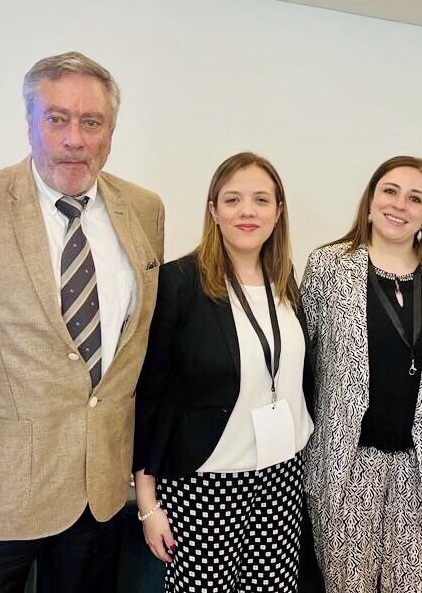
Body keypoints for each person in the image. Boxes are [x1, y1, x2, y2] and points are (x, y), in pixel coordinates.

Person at [0, 51, 165, 592]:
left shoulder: (144, 209)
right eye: (56, 118)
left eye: (92, 122)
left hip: (97, 488)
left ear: (110, 131)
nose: (74, 139)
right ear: (30, 122)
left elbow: (135, 341)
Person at [133, 152, 315, 593]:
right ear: (214, 211)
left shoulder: (284, 281)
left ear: (278, 211)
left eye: (260, 200)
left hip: (281, 477)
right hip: (205, 482)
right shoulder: (180, 282)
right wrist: (147, 503)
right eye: (232, 200)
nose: (247, 211)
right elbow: (151, 395)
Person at [301, 155, 422, 593]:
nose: (400, 204)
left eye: (415, 198)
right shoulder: (328, 266)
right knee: (348, 585)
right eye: (390, 191)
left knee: (417, 585)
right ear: (371, 199)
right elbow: (301, 361)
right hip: (348, 461)